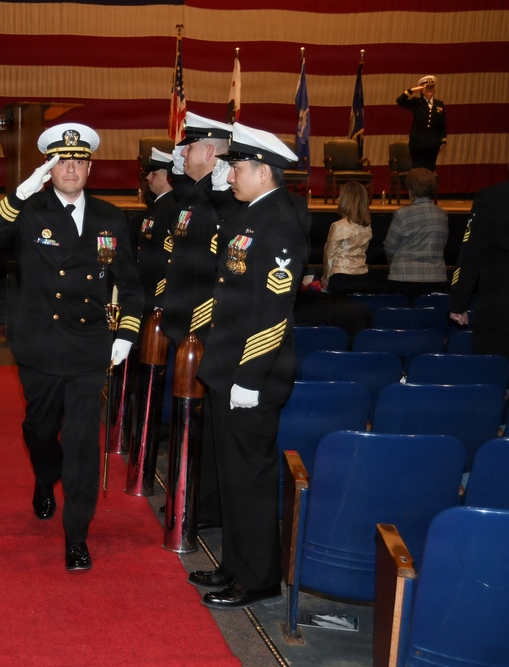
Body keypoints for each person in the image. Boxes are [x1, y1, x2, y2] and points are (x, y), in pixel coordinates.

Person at [0, 123, 143, 571]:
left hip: (91, 345)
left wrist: (126, 333)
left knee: (84, 443)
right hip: (41, 345)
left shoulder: (111, 217)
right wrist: (19, 193)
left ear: (90, 167)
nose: (70, 168)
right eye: (60, 161)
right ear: (49, 168)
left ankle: (77, 535)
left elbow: (130, 285)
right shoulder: (30, 210)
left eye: (78, 160)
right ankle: (45, 476)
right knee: (40, 429)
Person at [188, 123, 309, 610]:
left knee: (251, 481)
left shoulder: (278, 222)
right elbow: (228, 292)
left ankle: (257, 577)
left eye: (237, 166)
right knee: (232, 479)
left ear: (263, 171)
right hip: (227, 368)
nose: (230, 173)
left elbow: (272, 311)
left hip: (249, 377)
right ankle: (234, 564)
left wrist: (248, 377)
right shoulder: (249, 215)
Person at [160, 112, 242, 533]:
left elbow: (218, 275)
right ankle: (191, 495)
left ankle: (203, 503)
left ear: (209, 152)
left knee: (209, 427)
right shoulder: (195, 196)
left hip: (206, 330)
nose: (181, 152)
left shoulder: (223, 203)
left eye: (188, 146)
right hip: (185, 324)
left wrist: (196, 328)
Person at [449, 133, 509, 383]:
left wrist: (458, 303)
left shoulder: (490, 198)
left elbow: (471, 254)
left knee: (492, 382)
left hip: (498, 313)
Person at [384, 168, 449, 304]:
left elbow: (389, 246)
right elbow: (443, 243)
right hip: (436, 278)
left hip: (403, 278)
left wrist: (393, 263)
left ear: (410, 191)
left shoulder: (401, 215)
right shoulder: (442, 214)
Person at [321, 181, 382, 294]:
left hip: (341, 277)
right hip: (362, 275)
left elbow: (329, 255)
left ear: (346, 200)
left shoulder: (339, 226)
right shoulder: (367, 225)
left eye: (340, 196)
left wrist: (325, 278)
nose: (338, 198)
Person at [136, 146, 176, 314]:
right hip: (147, 289)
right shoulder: (158, 207)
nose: (148, 177)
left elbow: (169, 257)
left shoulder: (172, 208)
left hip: (158, 294)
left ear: (169, 176)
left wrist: (160, 299)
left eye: (154, 173)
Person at [396, 75, 447, 172]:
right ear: (422, 90)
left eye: (431, 88)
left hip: (433, 142)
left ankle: (428, 187)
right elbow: (400, 101)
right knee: (417, 169)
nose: (429, 90)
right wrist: (411, 90)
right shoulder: (416, 102)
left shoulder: (439, 104)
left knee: (430, 169)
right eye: (427, 88)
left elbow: (442, 123)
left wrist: (443, 140)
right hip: (417, 142)